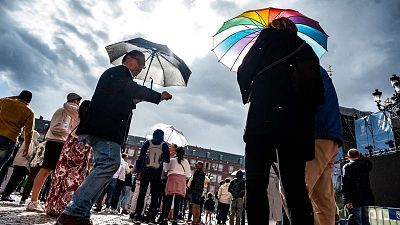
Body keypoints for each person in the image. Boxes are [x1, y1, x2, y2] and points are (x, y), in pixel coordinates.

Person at [56, 50, 172, 225]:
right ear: (128, 59)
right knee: (109, 163)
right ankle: (73, 212)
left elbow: (118, 97)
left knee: (105, 165)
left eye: (143, 64)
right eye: (139, 62)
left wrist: (132, 101)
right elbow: (129, 89)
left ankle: (81, 213)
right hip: (105, 129)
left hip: (105, 128)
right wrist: (157, 96)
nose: (142, 67)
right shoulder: (118, 72)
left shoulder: (120, 79)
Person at [237, 17, 324, 225]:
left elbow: (243, 72)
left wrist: (253, 91)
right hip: (295, 124)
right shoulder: (305, 49)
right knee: (294, 186)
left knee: (256, 183)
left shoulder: (263, 43)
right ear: (294, 30)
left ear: (271, 28)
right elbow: (317, 94)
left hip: (262, 119)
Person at [27, 93, 81, 212]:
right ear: (75, 101)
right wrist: (70, 133)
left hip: (60, 143)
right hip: (55, 142)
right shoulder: (62, 111)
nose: (78, 105)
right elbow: (55, 128)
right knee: (45, 170)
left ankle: (37, 200)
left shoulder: (68, 113)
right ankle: (33, 201)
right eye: (78, 102)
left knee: (48, 171)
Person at [305, 67, 344, 225]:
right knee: (323, 198)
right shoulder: (317, 70)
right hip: (330, 136)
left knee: (292, 189)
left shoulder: (302, 69)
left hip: (315, 134)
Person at [45, 100, 92, 217]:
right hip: (82, 154)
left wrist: (78, 107)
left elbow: (66, 105)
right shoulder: (93, 121)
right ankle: (66, 210)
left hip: (69, 151)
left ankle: (52, 206)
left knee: (60, 178)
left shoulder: (77, 115)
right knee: (74, 182)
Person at [132, 129, 170, 224]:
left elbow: (141, 157)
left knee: (142, 193)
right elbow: (167, 160)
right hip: (157, 173)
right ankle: (151, 218)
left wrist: (138, 171)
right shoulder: (164, 145)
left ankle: (138, 215)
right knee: (154, 195)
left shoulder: (147, 143)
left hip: (145, 171)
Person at [0, 131, 40, 202]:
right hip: (23, 164)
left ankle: (6, 194)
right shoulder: (31, 142)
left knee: (13, 179)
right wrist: (32, 159)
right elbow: (29, 153)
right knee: (16, 180)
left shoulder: (27, 141)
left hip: (18, 162)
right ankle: (7, 195)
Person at [0, 90, 35, 171]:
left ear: (19, 96)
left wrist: (14, 97)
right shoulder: (29, 112)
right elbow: (28, 132)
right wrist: (26, 147)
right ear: (29, 101)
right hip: (9, 139)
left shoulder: (6, 102)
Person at [158, 146, 191, 225]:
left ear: (176, 152)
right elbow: (188, 174)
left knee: (168, 200)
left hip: (171, 179)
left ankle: (165, 218)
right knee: (178, 201)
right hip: (181, 180)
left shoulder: (172, 160)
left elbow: (165, 169)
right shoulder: (186, 162)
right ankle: (175, 219)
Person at [342, 149, 374, 225]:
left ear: (348, 156)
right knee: (366, 220)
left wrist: (347, 200)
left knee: (357, 221)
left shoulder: (346, 167)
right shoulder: (365, 165)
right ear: (358, 155)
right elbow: (369, 163)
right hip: (365, 197)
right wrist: (361, 156)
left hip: (354, 199)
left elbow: (345, 185)